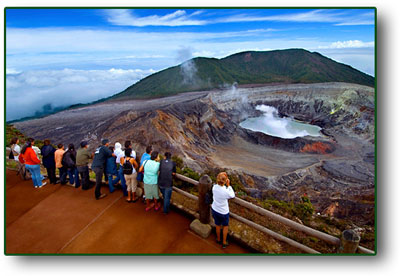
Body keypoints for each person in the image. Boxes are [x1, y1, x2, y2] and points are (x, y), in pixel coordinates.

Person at [211, 172, 235, 249]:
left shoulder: (214, 187)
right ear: (225, 181)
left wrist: (222, 176)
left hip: (215, 209)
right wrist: (229, 185)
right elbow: (232, 195)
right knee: (225, 226)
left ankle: (218, 239)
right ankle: (224, 242)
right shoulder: (226, 191)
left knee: (217, 225)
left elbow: (219, 184)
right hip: (223, 212)